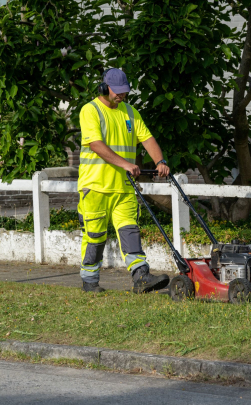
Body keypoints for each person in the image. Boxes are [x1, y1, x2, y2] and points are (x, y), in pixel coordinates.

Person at [77, 68, 170, 293]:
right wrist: (126, 164)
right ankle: (90, 282)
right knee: (95, 237)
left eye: (124, 92)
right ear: (103, 88)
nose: (121, 96)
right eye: (116, 92)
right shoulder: (90, 111)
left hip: (124, 187)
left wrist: (160, 161)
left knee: (130, 232)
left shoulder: (129, 112)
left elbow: (147, 138)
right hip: (95, 186)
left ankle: (142, 277)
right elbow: (96, 145)